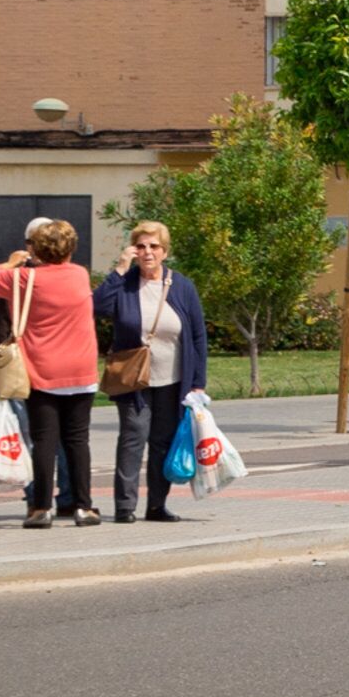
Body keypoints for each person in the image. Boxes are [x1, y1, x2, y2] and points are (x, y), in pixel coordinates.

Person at [0, 220, 101, 529]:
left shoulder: (24, 279)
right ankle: (83, 507)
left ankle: (41, 508)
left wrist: (10, 263)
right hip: (82, 371)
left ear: (36, 248)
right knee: (77, 441)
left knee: (44, 441)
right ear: (70, 248)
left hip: (43, 371)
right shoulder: (80, 276)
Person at [98, 219, 210, 524]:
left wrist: (198, 383)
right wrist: (120, 269)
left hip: (174, 381)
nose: (148, 252)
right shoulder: (125, 284)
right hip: (134, 379)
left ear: (165, 251)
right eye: (141, 246)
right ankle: (125, 506)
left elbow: (198, 336)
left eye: (154, 246)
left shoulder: (182, 286)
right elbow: (97, 308)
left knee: (162, 442)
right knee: (133, 438)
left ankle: (157, 505)